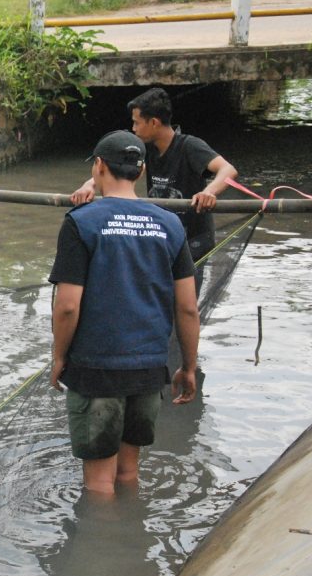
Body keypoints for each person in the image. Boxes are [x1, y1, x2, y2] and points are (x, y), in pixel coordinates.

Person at [50, 130, 201, 495]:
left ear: (99, 166)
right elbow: (187, 307)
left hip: (96, 368)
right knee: (128, 472)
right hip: (148, 367)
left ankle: (101, 533)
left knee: (98, 482)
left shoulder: (81, 222)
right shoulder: (170, 225)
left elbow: (67, 305)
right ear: (142, 171)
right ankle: (133, 528)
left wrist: (58, 357)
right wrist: (188, 367)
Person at [71, 87, 238, 261]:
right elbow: (115, 168)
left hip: (193, 238)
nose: (133, 128)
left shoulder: (189, 146)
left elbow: (228, 170)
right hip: (162, 232)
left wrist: (208, 192)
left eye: (137, 123)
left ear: (153, 123)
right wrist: (89, 185)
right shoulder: (144, 148)